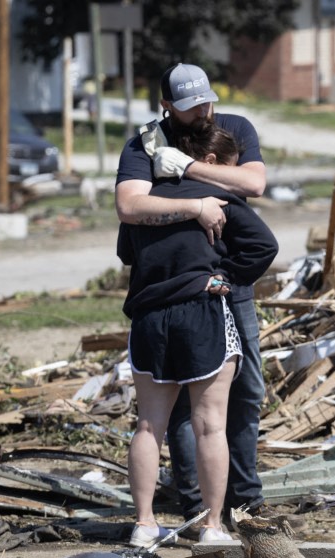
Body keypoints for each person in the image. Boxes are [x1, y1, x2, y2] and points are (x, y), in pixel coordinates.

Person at [115, 63, 269, 532]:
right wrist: (195, 205)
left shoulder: (234, 128)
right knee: (191, 414)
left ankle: (244, 500)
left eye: (205, 101)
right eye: (188, 106)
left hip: (223, 289)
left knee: (245, 394)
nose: (201, 111)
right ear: (166, 106)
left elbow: (255, 183)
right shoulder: (144, 143)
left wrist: (188, 170)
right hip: (187, 295)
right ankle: (202, 510)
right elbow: (129, 207)